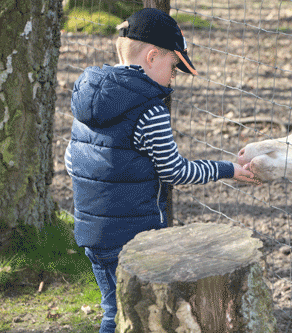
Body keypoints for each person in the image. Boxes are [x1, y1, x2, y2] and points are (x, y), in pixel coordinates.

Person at [64, 8, 259, 333]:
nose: (173, 78)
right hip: (134, 239)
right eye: (173, 67)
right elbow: (175, 171)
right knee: (132, 317)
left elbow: (72, 160)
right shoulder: (150, 110)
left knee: (112, 310)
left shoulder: (87, 97)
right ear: (153, 56)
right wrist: (228, 169)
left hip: (92, 233)